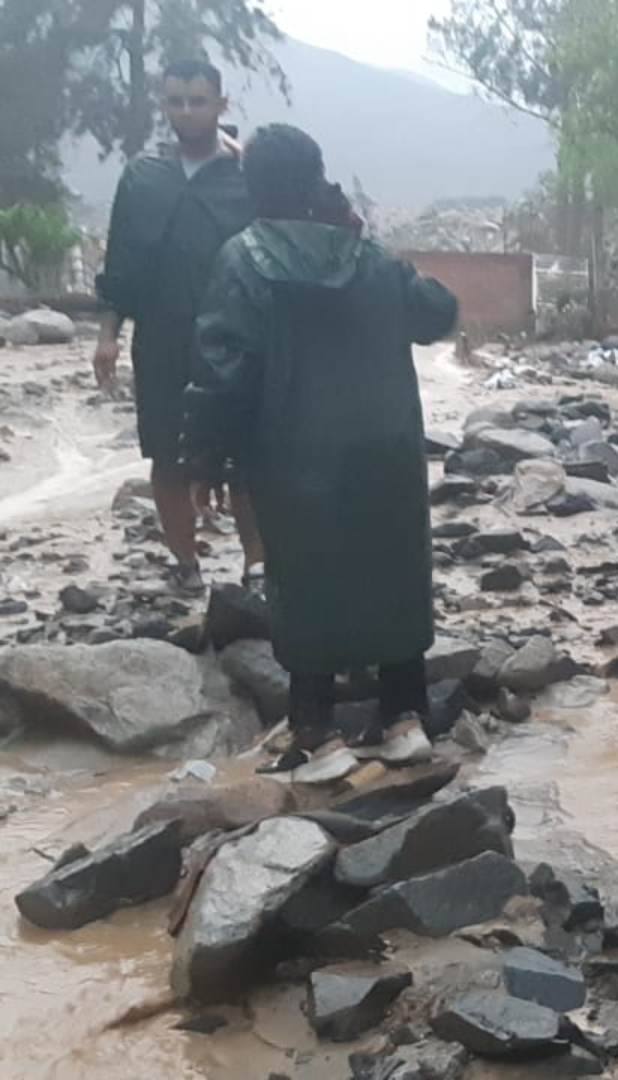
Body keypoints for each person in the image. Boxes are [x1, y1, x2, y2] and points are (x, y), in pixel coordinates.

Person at [184, 124, 458, 784]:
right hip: (386, 449)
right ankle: (403, 721)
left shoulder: (241, 258)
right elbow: (438, 313)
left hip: (293, 454)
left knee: (300, 579)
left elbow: (223, 368)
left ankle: (319, 735)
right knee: (392, 571)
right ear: (317, 180)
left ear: (253, 188)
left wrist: (206, 457)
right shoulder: (371, 255)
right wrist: (361, 231)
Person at [94, 58, 266, 593]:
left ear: (222, 104)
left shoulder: (248, 179)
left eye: (197, 100)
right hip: (162, 340)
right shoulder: (143, 179)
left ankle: (257, 567)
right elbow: (121, 262)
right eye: (175, 101)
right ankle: (184, 563)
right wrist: (107, 335)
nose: (186, 111)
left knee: (246, 456)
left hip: (237, 343)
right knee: (166, 454)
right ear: (163, 106)